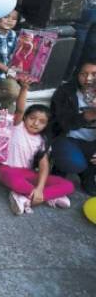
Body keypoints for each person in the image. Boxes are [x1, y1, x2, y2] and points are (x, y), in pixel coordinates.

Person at [0, 81, 75, 214]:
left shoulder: (42, 141)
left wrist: (39, 188)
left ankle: (24, 198)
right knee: (17, 183)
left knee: (69, 185)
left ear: (46, 125)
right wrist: (24, 88)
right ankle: (49, 196)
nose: (36, 123)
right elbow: (20, 108)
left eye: (42, 122)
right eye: (32, 118)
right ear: (25, 118)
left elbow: (44, 166)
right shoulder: (18, 127)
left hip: (28, 173)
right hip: (7, 169)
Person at [51, 58, 96, 195]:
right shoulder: (66, 92)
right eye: (83, 74)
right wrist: (87, 116)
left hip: (93, 143)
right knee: (74, 162)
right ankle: (60, 169)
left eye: (94, 74)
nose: (88, 78)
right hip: (69, 138)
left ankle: (88, 175)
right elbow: (60, 122)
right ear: (77, 74)